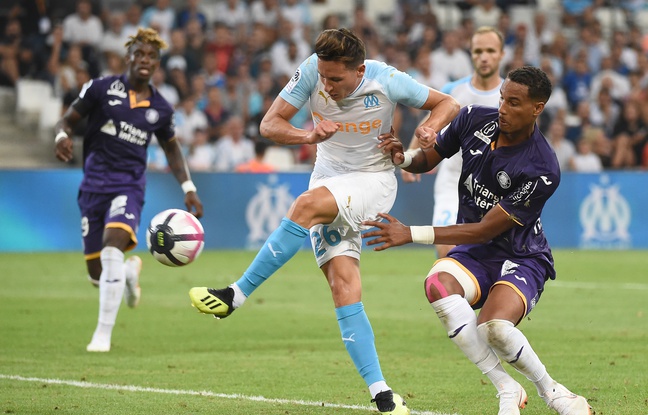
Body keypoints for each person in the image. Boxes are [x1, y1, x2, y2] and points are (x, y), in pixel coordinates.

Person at [189, 28, 459, 414]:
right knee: (342, 286)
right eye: (324, 76)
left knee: (304, 205)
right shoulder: (311, 73)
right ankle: (383, 394)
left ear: (360, 70)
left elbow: (447, 102)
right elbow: (269, 124)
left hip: (373, 181)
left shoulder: (386, 79)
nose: (327, 85)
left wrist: (429, 129)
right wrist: (308, 134)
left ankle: (236, 295)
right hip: (329, 179)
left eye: (337, 79)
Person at [362, 66, 593, 415]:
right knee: (437, 285)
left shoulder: (542, 168)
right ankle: (506, 387)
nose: (503, 108)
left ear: (537, 108)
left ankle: (553, 392)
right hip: (476, 253)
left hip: (521, 255)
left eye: (514, 103)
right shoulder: (473, 119)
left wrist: (411, 234)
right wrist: (404, 157)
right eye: (502, 98)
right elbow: (429, 158)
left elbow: (487, 228)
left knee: (494, 328)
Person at [53, 28, 203, 353]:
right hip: (93, 186)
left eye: (151, 56)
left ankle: (102, 336)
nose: (145, 60)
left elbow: (172, 149)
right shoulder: (101, 88)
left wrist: (188, 187)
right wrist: (61, 137)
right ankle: (129, 272)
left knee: (111, 249)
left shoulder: (161, 108)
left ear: (158, 63)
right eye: (140, 54)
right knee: (98, 274)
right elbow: (67, 120)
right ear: (128, 57)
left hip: (129, 185)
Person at [403, 26, 506, 259]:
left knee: (492, 261)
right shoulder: (453, 91)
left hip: (496, 189)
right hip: (453, 182)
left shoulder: (511, 95)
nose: (484, 57)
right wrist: (412, 153)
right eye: (478, 51)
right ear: (471, 54)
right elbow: (429, 122)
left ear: (501, 54)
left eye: (490, 50)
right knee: (447, 249)